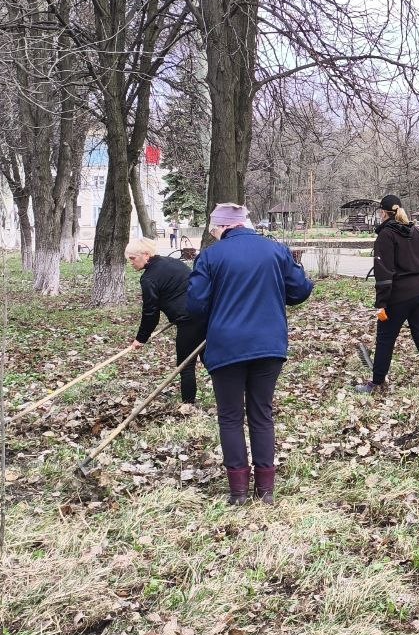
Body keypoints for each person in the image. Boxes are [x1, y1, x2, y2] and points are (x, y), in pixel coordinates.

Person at [187, 203, 313, 505]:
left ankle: (239, 492)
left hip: (227, 346)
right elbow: (300, 291)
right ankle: (266, 491)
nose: (213, 234)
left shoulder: (210, 256)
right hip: (269, 344)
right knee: (262, 413)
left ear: (222, 227)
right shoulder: (276, 250)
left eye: (214, 229)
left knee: (230, 417)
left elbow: (194, 305)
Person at [355, 195, 419, 397]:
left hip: (400, 295)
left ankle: (376, 383)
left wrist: (381, 304)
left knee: (386, 337)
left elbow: (383, 273)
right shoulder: (416, 232)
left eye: (380, 212)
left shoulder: (386, 235)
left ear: (384, 213)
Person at [125, 237, 206, 407]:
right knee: (211, 360)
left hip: (188, 321)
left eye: (132, 258)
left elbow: (150, 313)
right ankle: (231, 397)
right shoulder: (172, 262)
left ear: (146, 255)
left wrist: (141, 339)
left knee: (186, 365)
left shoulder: (149, 278)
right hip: (206, 315)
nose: (130, 262)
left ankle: (188, 405)